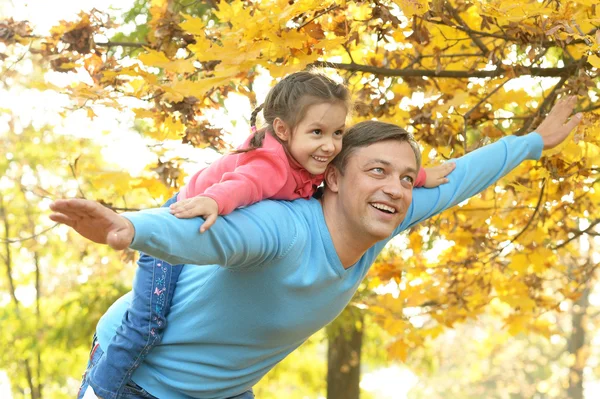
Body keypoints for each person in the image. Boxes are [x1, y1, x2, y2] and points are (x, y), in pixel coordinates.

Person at [50, 96, 581, 399]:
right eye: (377, 171)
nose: (396, 188)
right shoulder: (283, 229)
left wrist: (535, 142)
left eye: (404, 177)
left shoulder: (383, 215)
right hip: (143, 380)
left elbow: (464, 176)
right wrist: (132, 229)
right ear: (331, 178)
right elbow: (208, 234)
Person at [73, 70, 453, 399]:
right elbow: (245, 185)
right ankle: (101, 390)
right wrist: (212, 202)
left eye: (338, 133)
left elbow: (369, 169)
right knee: (148, 322)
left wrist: (417, 176)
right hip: (186, 217)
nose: (330, 145)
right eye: (318, 132)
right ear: (284, 130)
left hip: (215, 226)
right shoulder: (269, 164)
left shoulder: (317, 159)